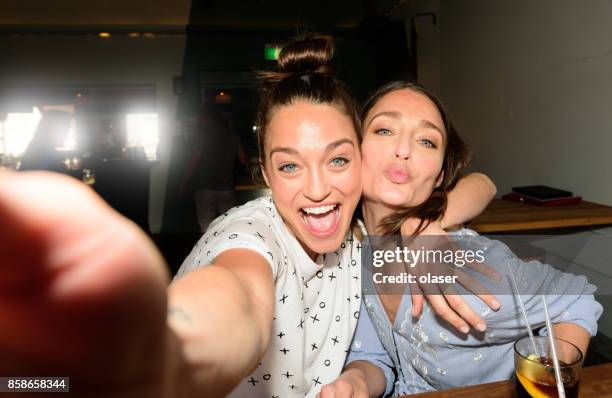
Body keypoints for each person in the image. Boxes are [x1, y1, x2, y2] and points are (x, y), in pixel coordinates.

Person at [0, 37, 494, 397]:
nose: (319, 188)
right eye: (290, 165)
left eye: (338, 160)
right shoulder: (251, 234)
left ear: (365, 163)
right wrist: (166, 350)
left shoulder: (363, 231)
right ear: (264, 172)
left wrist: (427, 224)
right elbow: (239, 298)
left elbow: (484, 184)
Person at [319, 81, 603, 397]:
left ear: (439, 175)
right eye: (385, 130)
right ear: (353, 149)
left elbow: (577, 298)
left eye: (427, 141)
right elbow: (376, 357)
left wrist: (550, 373)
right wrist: (354, 382)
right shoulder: (356, 250)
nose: (404, 149)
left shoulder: (467, 267)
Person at [179, 104, 247, 233]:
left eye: (200, 118)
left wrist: (184, 183)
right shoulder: (233, 136)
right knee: (228, 226)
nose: (198, 121)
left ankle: (209, 251)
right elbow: (243, 160)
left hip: (205, 189)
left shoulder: (202, 137)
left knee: (206, 227)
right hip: (227, 189)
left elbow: (193, 162)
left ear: (207, 119)